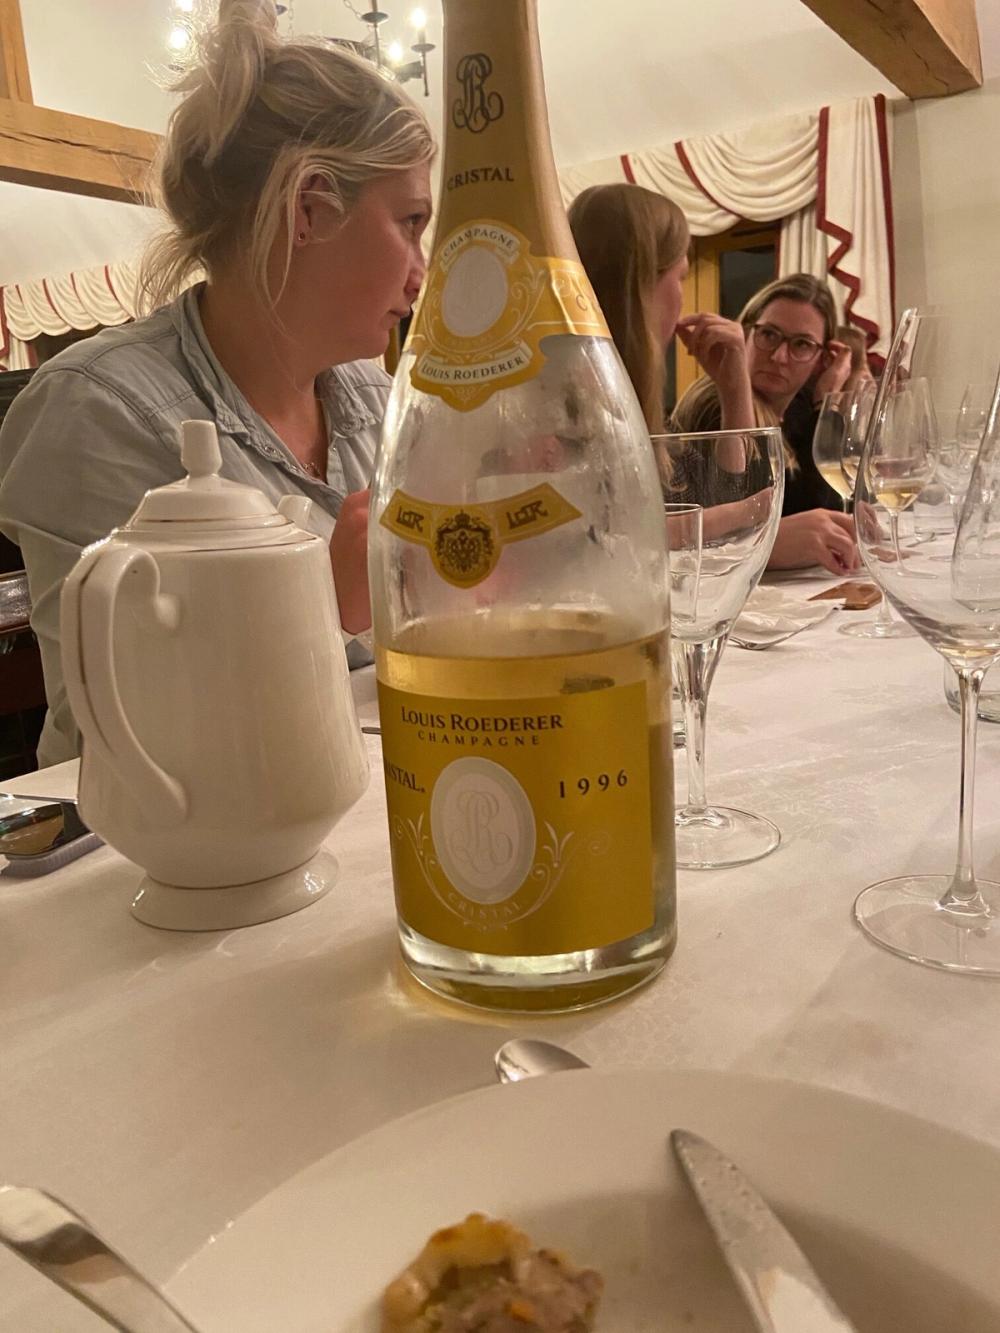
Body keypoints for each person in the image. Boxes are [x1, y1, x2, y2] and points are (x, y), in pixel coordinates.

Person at [0, 0, 434, 765]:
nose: (421, 272)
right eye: (410, 223)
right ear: (310, 208)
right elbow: (118, 725)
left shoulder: (373, 397)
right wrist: (324, 605)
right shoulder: (95, 409)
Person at [672, 273, 860, 572]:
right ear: (746, 332)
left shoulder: (797, 408)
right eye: (769, 335)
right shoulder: (715, 402)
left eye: (801, 344)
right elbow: (741, 522)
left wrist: (824, 403)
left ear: (821, 359)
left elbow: (825, 505)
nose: (779, 356)